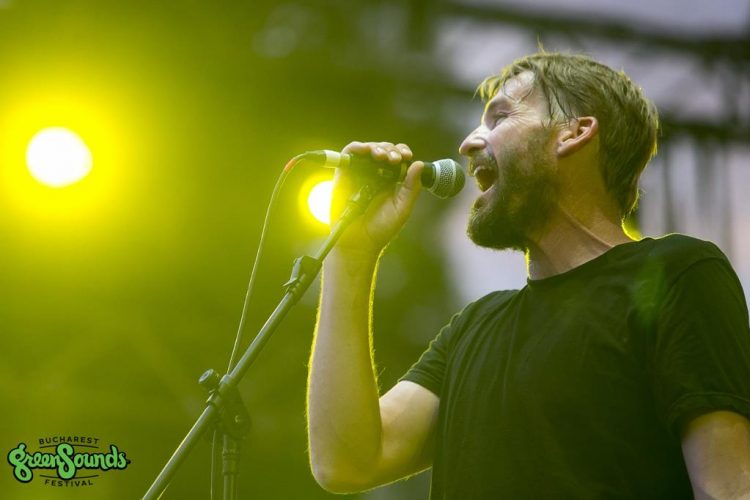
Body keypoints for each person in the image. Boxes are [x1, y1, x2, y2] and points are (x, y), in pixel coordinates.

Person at [306, 51, 750, 499]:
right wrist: (351, 253)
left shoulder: (676, 273)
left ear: (573, 133)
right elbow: (346, 462)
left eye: (499, 117)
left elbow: (728, 489)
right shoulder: (472, 329)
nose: (468, 143)